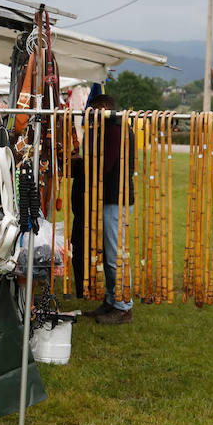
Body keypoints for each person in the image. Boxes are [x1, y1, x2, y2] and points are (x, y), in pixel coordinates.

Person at [89, 92, 133, 325]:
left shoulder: (116, 129)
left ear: (104, 108)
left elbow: (105, 165)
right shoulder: (112, 127)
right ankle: (111, 300)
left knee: (116, 255)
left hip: (117, 199)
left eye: (94, 113)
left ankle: (124, 307)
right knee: (109, 255)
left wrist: (84, 165)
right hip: (112, 198)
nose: (92, 118)